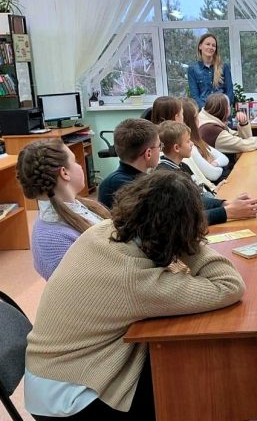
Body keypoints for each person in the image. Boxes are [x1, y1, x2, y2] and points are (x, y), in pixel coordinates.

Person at [25, 171, 245, 421]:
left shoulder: (103, 231)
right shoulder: (134, 280)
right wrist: (187, 241)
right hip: (70, 399)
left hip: (53, 374)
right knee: (184, 380)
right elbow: (229, 284)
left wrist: (174, 234)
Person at [16, 139, 111, 280]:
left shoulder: (74, 207)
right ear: (64, 173)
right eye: (75, 161)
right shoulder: (55, 239)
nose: (80, 166)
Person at [157, 120, 257, 224]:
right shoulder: (167, 179)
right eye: (188, 141)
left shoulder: (183, 166)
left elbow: (197, 200)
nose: (192, 143)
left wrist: (225, 204)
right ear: (177, 148)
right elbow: (186, 218)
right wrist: (228, 212)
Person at [98, 119, 160, 209]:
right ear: (148, 153)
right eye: (159, 146)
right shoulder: (141, 188)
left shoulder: (109, 182)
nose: (160, 149)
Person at [198, 93, 257, 160]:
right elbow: (245, 145)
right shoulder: (212, 130)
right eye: (229, 106)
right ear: (225, 110)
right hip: (217, 165)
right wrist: (256, 140)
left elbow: (240, 138)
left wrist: (243, 123)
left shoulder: (209, 121)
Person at [181, 97, 230, 182]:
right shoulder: (190, 146)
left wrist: (214, 163)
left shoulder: (197, 139)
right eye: (197, 116)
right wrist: (217, 165)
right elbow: (213, 175)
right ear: (191, 120)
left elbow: (224, 158)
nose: (199, 119)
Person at [187, 33, 234, 109]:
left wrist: (222, 109)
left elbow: (230, 92)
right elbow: (194, 96)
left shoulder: (224, 67)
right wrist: (207, 111)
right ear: (200, 46)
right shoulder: (192, 69)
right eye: (208, 44)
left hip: (222, 111)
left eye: (213, 45)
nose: (211, 47)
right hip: (204, 112)